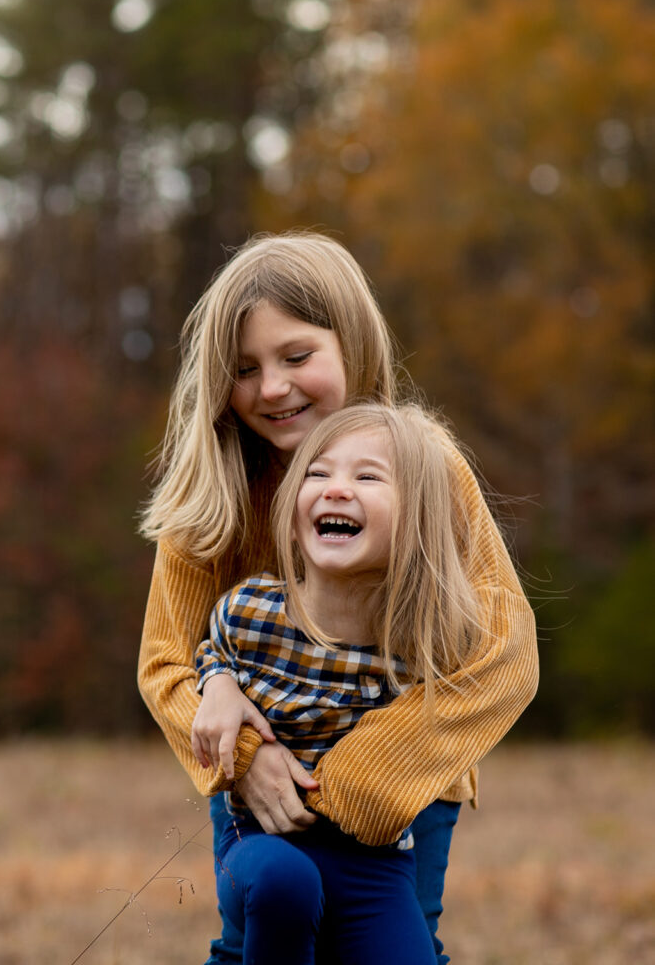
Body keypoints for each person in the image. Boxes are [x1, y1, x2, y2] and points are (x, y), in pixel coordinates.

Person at [138, 232, 539, 964]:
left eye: (296, 357)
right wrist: (247, 757)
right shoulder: (211, 494)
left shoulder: (427, 467)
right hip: (263, 784)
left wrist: (370, 773)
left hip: (407, 784)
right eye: (244, 369)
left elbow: (504, 652)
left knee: (401, 945)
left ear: (352, 344)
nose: (271, 387)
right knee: (260, 940)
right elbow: (167, 662)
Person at [194, 403, 495, 965]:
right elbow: (212, 653)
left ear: (418, 518)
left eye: (368, 477)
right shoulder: (249, 609)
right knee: (286, 883)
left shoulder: (424, 637)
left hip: (374, 864)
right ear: (291, 510)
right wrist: (219, 685)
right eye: (317, 473)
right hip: (260, 842)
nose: (336, 489)